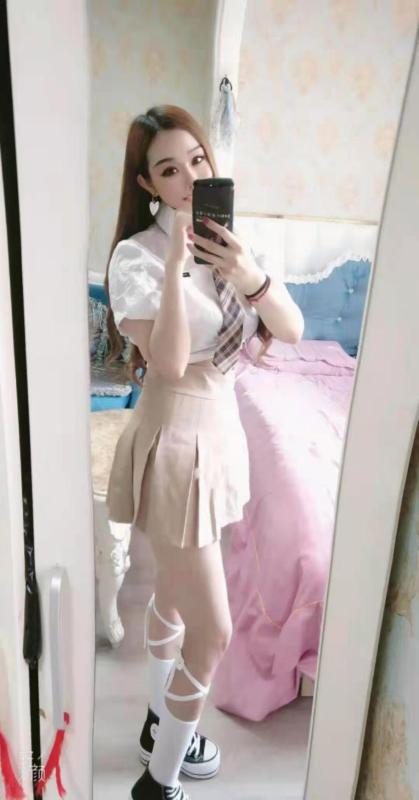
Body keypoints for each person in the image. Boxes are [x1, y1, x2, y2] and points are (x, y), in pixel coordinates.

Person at [104, 105, 304, 800]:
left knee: (172, 593)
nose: (189, 179)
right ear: (147, 184)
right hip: (174, 435)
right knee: (213, 632)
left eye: (197, 160)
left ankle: (159, 724)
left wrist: (246, 272)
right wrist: (174, 268)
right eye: (169, 169)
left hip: (219, 434)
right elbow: (165, 362)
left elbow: (290, 328)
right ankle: (157, 785)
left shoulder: (237, 243)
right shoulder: (135, 255)